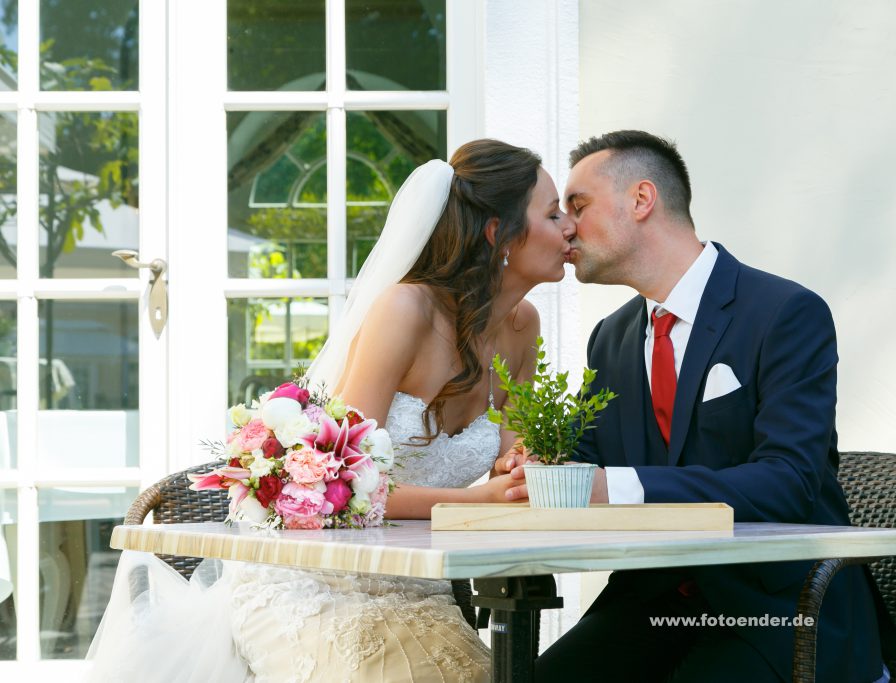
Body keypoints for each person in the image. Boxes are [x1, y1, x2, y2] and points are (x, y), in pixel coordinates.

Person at [86, 139, 576, 683]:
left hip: (415, 588)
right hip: (311, 582)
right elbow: (341, 491)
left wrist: (522, 467)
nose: (570, 228)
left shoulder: (522, 327)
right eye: (554, 214)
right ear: (497, 233)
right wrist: (471, 500)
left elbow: (513, 461)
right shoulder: (405, 310)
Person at [510, 130, 892, 682]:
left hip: (779, 611)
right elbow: (587, 452)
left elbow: (787, 481)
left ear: (642, 200)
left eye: (579, 205)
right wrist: (537, 466)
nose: (566, 226)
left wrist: (610, 486)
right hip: (652, 606)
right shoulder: (610, 338)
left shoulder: (786, 314)